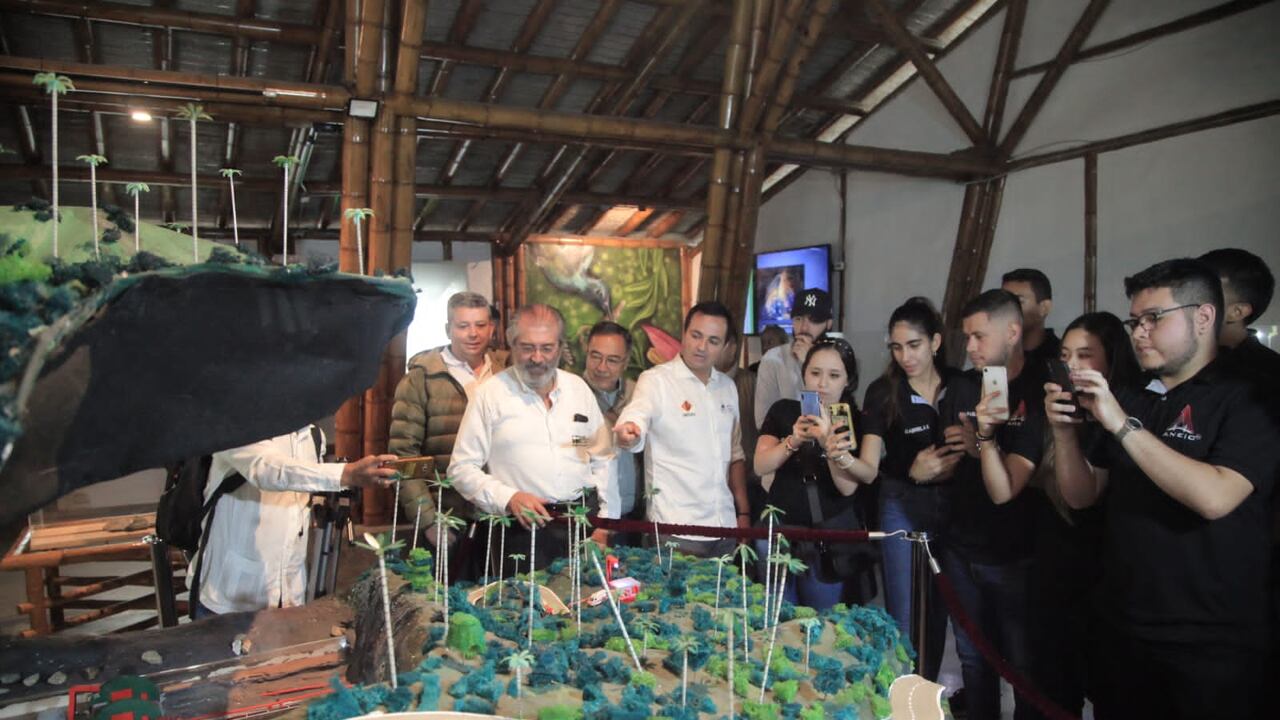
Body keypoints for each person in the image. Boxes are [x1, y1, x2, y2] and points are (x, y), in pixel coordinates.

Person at [1050, 258, 1278, 720]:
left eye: (1154, 318)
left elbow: (1215, 497)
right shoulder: (1135, 396)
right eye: (1135, 321)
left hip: (1211, 638)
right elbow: (1081, 495)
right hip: (1125, 626)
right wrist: (1064, 434)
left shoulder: (1249, 396)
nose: (1139, 332)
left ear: (1204, 317)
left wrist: (1121, 425)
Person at [1028, 311, 1140, 718]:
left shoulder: (1129, 414)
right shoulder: (1060, 411)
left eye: (1085, 354)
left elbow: (1082, 496)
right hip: (1058, 569)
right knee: (1056, 688)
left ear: (1112, 359)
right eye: (1065, 355)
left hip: (1111, 577)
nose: (1072, 365)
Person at [940, 289, 1045, 720]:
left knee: (1023, 666)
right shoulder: (964, 385)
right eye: (967, 337)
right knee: (973, 657)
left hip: (1016, 552)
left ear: (1013, 333)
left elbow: (1009, 487)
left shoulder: (1038, 389)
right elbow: (951, 452)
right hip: (961, 543)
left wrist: (984, 442)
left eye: (979, 336)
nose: (970, 347)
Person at [449, 305, 614, 572]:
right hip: (520, 530)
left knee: (587, 597)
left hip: (583, 524)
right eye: (527, 348)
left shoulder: (578, 389)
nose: (537, 358)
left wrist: (605, 523)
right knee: (524, 600)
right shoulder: (489, 395)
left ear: (560, 347)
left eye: (547, 348)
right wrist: (509, 497)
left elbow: (603, 459)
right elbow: (461, 469)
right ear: (512, 345)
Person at [855, 297, 958, 681]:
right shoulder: (884, 391)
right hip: (901, 503)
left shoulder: (960, 384)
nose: (905, 356)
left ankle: (927, 690)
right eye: (897, 347)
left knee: (941, 608)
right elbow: (870, 464)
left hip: (955, 506)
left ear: (935, 341)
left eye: (914, 345)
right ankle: (903, 693)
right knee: (904, 611)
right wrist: (909, 470)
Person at [192, 427, 398, 616]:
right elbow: (269, 470)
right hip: (231, 598)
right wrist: (345, 474)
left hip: (290, 594)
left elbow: (302, 488)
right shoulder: (237, 425)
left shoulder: (313, 435)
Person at [615, 302, 749, 558]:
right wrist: (630, 432)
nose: (701, 346)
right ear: (684, 333)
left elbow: (734, 452)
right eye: (696, 335)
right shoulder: (656, 380)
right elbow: (637, 414)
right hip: (674, 528)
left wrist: (743, 512)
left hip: (724, 526)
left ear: (725, 346)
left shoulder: (727, 387)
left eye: (713, 341)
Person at [389, 291, 508, 560]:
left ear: (491, 329)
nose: (473, 334)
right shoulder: (421, 378)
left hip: (501, 513)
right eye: (463, 326)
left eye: (480, 325)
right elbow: (404, 456)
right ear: (448, 329)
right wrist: (428, 519)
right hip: (446, 516)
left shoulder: (507, 373)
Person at [752, 336, 864, 611]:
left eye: (834, 376)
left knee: (821, 621)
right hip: (778, 532)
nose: (822, 383)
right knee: (777, 619)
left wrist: (828, 443)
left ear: (847, 381)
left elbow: (848, 488)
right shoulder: (784, 410)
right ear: (804, 375)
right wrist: (793, 441)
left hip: (826, 542)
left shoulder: (850, 419)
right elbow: (760, 465)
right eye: (815, 373)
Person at [583, 321, 643, 535]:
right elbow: (569, 444)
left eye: (612, 360)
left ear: (625, 362)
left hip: (634, 515)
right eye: (595, 356)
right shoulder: (571, 393)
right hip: (588, 512)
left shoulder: (638, 395)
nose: (601, 367)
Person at [1198, 248, 1279, 399]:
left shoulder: (1266, 379)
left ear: (1236, 312)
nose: (1183, 301)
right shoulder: (1171, 360)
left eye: (1201, 293)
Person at [755, 289, 835, 427]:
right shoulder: (773, 359)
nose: (804, 327)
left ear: (828, 323)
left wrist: (809, 365)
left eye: (813, 320)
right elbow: (763, 422)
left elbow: (836, 417)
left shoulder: (837, 359)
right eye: (798, 319)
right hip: (785, 439)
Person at [1002, 268, 1059, 381]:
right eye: (1003, 301)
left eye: (1018, 301)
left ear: (1044, 308)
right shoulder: (995, 355)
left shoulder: (1060, 357)